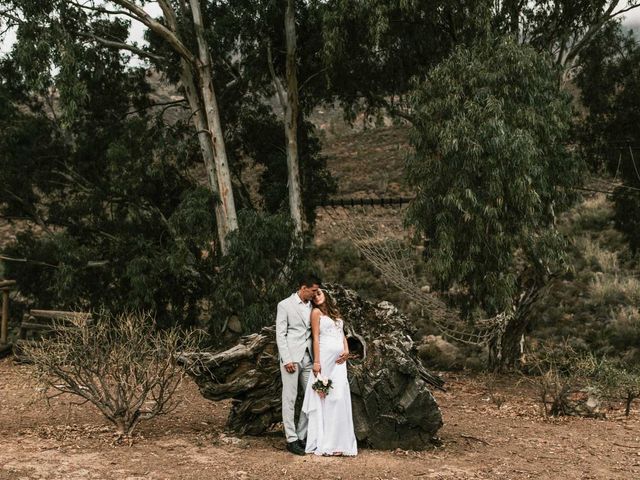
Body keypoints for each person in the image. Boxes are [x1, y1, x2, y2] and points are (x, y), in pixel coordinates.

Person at [301, 288, 358, 456]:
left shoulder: (335, 312)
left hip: (339, 361)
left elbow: (342, 334)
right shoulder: (316, 312)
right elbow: (316, 337)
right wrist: (317, 362)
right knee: (327, 397)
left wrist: (346, 350)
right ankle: (328, 443)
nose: (316, 297)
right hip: (325, 359)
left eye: (318, 293)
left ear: (325, 294)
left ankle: (341, 442)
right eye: (314, 295)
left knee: (340, 396)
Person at [275, 274, 321, 456]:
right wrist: (286, 359)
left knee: (312, 397)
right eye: (313, 290)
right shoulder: (284, 305)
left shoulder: (314, 306)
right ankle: (291, 439)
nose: (315, 294)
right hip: (291, 359)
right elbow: (280, 333)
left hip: (309, 359)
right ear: (303, 287)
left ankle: (302, 435)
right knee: (290, 398)